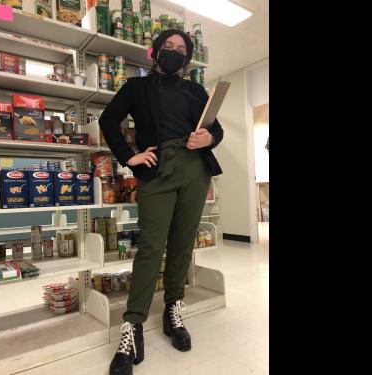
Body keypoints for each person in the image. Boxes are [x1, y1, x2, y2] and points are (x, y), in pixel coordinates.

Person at [99, 29, 224, 375]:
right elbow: (108, 120)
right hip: (156, 168)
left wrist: (207, 138)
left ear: (187, 59)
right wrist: (129, 157)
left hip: (195, 169)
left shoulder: (195, 90)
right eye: (167, 46)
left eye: (181, 49)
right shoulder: (136, 87)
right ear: (155, 53)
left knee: (183, 244)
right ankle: (132, 325)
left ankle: (173, 308)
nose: (173, 52)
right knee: (152, 246)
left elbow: (218, 130)